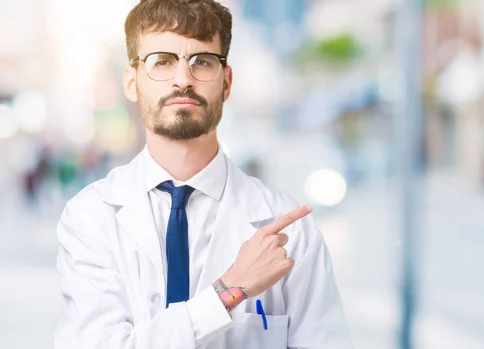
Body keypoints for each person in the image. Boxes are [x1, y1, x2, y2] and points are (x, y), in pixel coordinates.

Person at [53, 0, 353, 348]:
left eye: (202, 62)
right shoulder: (90, 217)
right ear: (132, 81)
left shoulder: (291, 232)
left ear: (226, 83)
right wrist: (227, 291)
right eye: (162, 62)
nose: (183, 79)